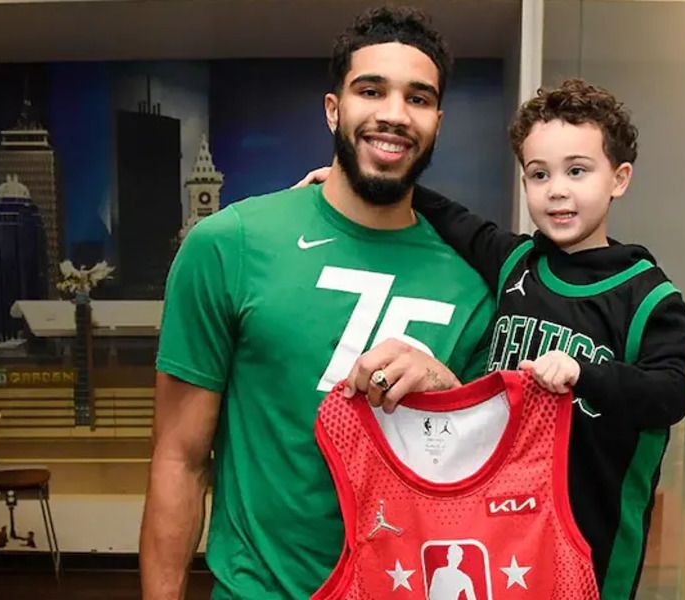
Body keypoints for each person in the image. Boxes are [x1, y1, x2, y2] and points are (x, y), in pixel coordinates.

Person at [139, 7, 494, 599]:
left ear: (437, 121)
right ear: (334, 109)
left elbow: (475, 482)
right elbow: (179, 460)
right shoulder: (230, 245)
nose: (393, 114)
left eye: (418, 98)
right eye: (370, 90)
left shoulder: (472, 283)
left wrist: (446, 386)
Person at [298, 79, 685, 599]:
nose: (556, 189)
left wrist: (584, 375)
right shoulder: (515, 262)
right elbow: (451, 218)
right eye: (539, 174)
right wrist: (348, 181)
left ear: (619, 179)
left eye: (577, 171)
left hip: (593, 544)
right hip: (504, 532)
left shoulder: (648, 298)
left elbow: (672, 393)